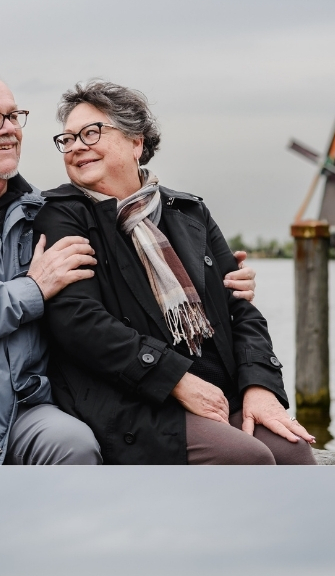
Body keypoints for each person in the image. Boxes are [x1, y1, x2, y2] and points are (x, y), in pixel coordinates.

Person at [0, 72, 256, 466]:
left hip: (23, 404)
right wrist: (32, 290)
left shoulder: (38, 209)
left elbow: (115, 281)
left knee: (76, 446)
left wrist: (212, 281)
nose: (8, 129)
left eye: (13, 116)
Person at [35, 82, 316, 465]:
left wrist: (260, 386)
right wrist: (177, 380)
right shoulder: (63, 215)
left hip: (221, 390)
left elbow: (241, 308)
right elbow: (79, 323)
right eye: (67, 139)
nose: (76, 146)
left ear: (136, 142)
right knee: (246, 458)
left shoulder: (188, 212)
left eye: (91, 132)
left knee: (294, 452)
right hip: (138, 401)